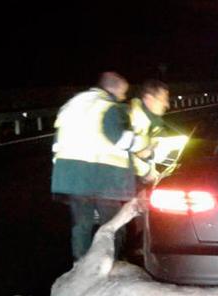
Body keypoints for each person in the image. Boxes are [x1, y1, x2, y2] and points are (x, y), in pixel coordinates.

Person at [51, 72, 152, 260]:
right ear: (114, 89)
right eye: (123, 93)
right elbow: (120, 139)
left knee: (81, 225)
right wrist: (145, 144)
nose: (123, 97)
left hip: (72, 178)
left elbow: (57, 144)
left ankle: (80, 265)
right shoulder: (107, 106)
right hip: (103, 177)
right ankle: (111, 264)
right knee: (112, 225)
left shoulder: (72, 105)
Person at [129, 79, 171, 185]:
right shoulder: (134, 121)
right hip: (128, 183)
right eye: (163, 100)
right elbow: (125, 156)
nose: (167, 105)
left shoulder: (154, 120)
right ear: (149, 99)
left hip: (141, 180)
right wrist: (146, 172)